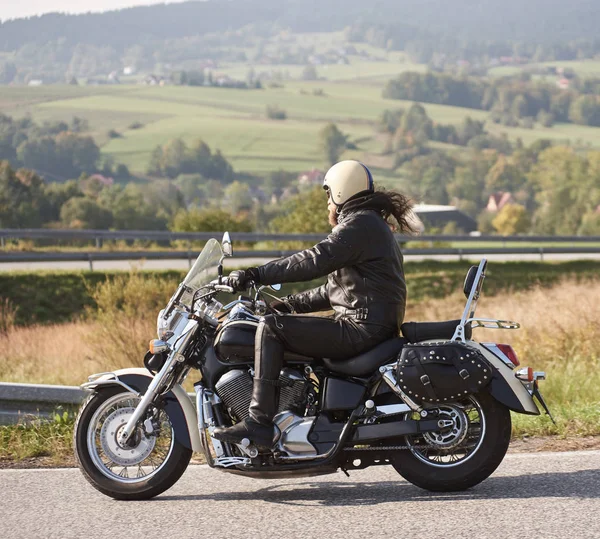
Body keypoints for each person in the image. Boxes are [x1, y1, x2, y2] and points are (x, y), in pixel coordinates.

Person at [213, 160, 416, 449]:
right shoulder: (370, 224)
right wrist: (288, 305)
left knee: (271, 330)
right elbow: (336, 290)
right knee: (277, 322)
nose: (327, 204)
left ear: (340, 192)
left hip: (361, 328)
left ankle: (259, 422)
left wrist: (255, 274)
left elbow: (314, 260)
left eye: (328, 194)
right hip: (370, 324)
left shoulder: (360, 225)